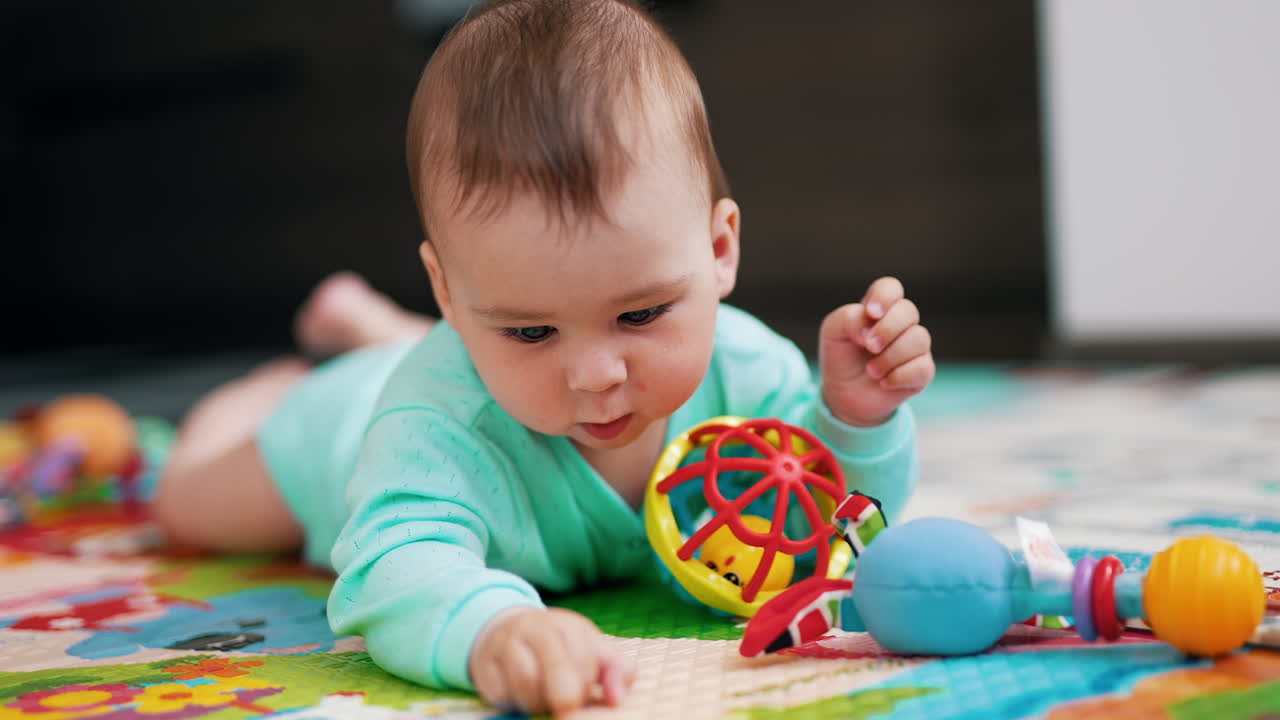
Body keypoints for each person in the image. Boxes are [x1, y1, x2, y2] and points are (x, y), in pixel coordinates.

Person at [152, 0, 937, 715]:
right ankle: (277, 385)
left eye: (639, 313)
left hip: (453, 363)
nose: (597, 374)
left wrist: (854, 419)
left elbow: (831, 526)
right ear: (449, 294)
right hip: (339, 427)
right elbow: (394, 565)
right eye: (531, 330)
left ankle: (381, 328)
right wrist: (492, 628)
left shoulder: (750, 369)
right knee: (185, 505)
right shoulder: (432, 424)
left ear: (719, 248)